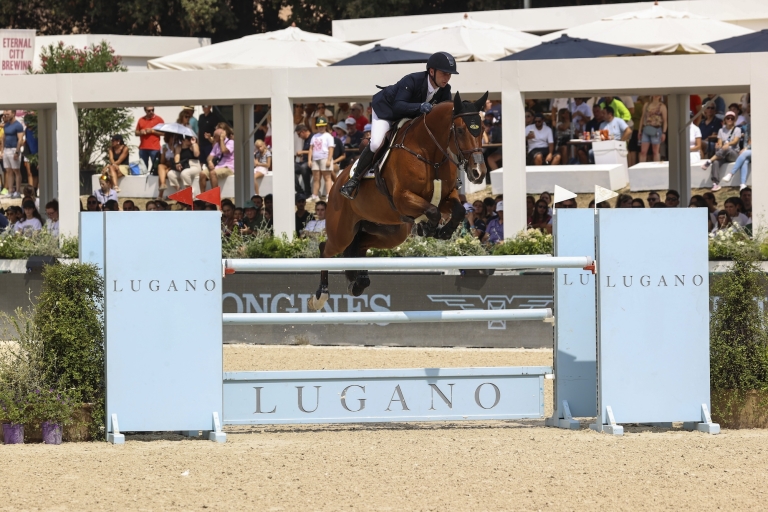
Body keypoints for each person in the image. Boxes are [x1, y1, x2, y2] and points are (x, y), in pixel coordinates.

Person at [340, 52, 457, 200]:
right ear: (432, 71)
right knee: (376, 143)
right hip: (387, 112)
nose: (447, 78)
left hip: (411, 116)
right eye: (444, 73)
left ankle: (451, 176)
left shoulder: (445, 90)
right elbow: (398, 106)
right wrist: (420, 106)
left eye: (449, 74)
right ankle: (354, 180)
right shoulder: (412, 80)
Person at [702, 111, 741, 191]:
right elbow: (719, 142)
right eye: (728, 118)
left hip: (733, 154)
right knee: (716, 162)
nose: (730, 119)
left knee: (726, 149)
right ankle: (715, 183)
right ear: (725, 119)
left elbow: (735, 141)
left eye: (732, 118)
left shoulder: (737, 129)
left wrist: (727, 144)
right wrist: (719, 146)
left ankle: (709, 160)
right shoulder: (721, 130)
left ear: (734, 120)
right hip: (723, 154)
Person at [201, 125, 234, 192]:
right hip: (218, 166)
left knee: (213, 173)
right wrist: (210, 162)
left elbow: (224, 151)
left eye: (215, 136)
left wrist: (222, 139)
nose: (213, 138)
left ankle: (215, 196)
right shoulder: (216, 145)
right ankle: (202, 196)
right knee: (202, 174)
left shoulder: (231, 142)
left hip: (228, 167)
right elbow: (209, 157)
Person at [309, 117, 335, 201]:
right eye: (319, 126)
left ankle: (329, 195)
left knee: (327, 177)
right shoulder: (314, 136)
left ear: (325, 126)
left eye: (323, 126)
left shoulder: (329, 136)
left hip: (324, 157)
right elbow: (311, 148)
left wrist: (329, 159)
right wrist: (309, 159)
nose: (321, 127)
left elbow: (331, 148)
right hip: (315, 158)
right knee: (316, 178)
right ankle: (315, 195)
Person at [2, 110, 24, 198]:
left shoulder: (18, 125)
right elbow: (3, 137)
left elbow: (20, 139)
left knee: (16, 171)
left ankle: (18, 191)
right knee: (8, 170)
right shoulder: (6, 125)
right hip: (6, 149)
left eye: (8, 114)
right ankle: (10, 190)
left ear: (13, 113)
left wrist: (17, 152)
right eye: (5, 114)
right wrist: (2, 150)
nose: (6, 115)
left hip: (14, 149)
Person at [637, 96, 667, 162]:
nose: (656, 95)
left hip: (656, 129)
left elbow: (665, 121)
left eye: (658, 94)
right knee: (643, 151)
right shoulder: (646, 105)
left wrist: (664, 133)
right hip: (646, 129)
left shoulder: (662, 106)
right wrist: (639, 130)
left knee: (655, 152)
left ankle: (656, 169)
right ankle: (642, 167)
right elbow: (642, 118)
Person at [135, 106, 164, 172]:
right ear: (145, 111)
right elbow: (136, 133)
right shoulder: (141, 119)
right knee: (143, 169)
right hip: (143, 148)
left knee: (156, 168)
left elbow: (164, 133)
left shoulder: (159, 119)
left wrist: (153, 131)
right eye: (149, 111)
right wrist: (141, 132)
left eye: (152, 110)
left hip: (155, 148)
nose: (151, 112)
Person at [156, 133, 178, 200]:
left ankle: (160, 196)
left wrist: (174, 151)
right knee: (160, 166)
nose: (173, 139)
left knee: (162, 174)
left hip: (174, 165)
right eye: (172, 137)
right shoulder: (164, 146)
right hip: (166, 164)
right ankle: (163, 184)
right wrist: (164, 153)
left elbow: (177, 160)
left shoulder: (177, 146)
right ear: (168, 138)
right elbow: (162, 162)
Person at [294, 124, 313, 197]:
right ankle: (299, 190)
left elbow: (314, 151)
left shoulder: (313, 138)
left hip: (312, 161)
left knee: (303, 168)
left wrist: (302, 152)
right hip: (304, 161)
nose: (299, 137)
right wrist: (302, 155)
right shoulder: (305, 140)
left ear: (303, 132)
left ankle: (307, 192)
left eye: (299, 134)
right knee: (291, 167)